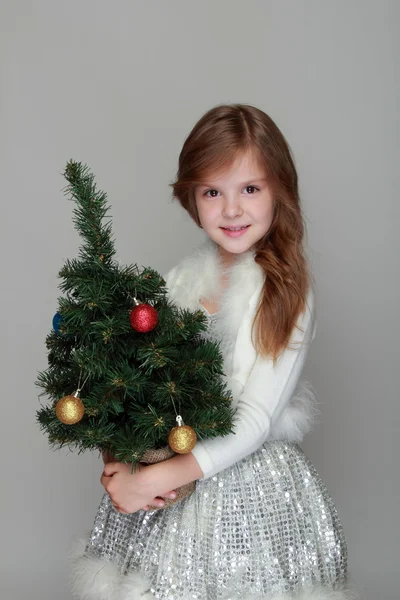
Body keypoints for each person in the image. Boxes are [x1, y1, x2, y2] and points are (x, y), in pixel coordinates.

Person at [71, 104, 354, 600]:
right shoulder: (178, 285)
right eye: (212, 192)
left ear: (279, 190)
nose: (231, 209)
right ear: (191, 199)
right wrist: (122, 459)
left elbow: (254, 423)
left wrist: (152, 481)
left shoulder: (284, 290)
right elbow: (142, 392)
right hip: (173, 474)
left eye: (250, 188)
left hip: (247, 490)